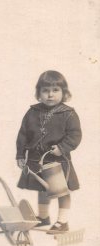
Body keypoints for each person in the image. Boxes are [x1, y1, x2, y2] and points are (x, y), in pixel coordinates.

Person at [16, 70, 82, 233]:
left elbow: (75, 135)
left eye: (55, 90)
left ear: (64, 92)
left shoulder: (69, 114)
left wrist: (62, 148)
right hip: (36, 159)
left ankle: (62, 222)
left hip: (57, 161)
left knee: (61, 191)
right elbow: (23, 134)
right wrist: (20, 154)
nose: (50, 95)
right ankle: (43, 217)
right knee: (42, 188)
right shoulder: (32, 112)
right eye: (45, 91)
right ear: (39, 93)